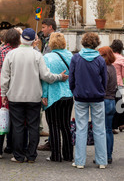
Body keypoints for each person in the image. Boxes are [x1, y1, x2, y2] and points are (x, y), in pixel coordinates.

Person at [0, 28, 68, 163]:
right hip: (34, 96)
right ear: (33, 40)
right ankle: (31, 155)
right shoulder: (37, 55)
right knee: (33, 126)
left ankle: (18, 155)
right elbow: (45, 75)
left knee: (18, 126)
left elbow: (5, 76)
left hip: (15, 95)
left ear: (21, 39)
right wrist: (59, 77)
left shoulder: (12, 54)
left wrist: (3, 93)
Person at [69, 32, 107, 169]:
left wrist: (73, 90)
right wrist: (101, 91)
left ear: (83, 42)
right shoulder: (100, 60)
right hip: (97, 97)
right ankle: (102, 160)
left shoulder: (76, 58)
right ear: (96, 43)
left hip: (80, 96)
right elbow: (104, 79)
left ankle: (80, 161)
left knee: (81, 128)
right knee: (99, 129)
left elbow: (71, 77)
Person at [41, 32, 74, 162]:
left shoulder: (47, 57)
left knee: (53, 125)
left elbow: (45, 78)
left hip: (53, 94)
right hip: (68, 94)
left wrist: (44, 95)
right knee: (65, 125)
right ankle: (68, 154)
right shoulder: (70, 55)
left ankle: (56, 155)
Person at [0, 28, 20, 158]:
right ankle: (12, 147)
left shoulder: (1, 50)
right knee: (15, 118)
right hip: (16, 83)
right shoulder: (18, 52)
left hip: (1, 83)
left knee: (0, 117)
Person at [98, 46, 117, 164]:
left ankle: (103, 156)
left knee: (102, 130)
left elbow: (102, 86)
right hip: (112, 100)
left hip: (104, 100)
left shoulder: (105, 69)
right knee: (109, 130)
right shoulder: (113, 68)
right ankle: (109, 155)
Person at [110, 39, 124, 132]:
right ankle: (121, 124)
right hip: (119, 83)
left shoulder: (109, 57)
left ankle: (112, 126)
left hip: (110, 84)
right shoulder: (122, 59)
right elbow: (123, 75)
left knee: (112, 105)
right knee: (120, 105)